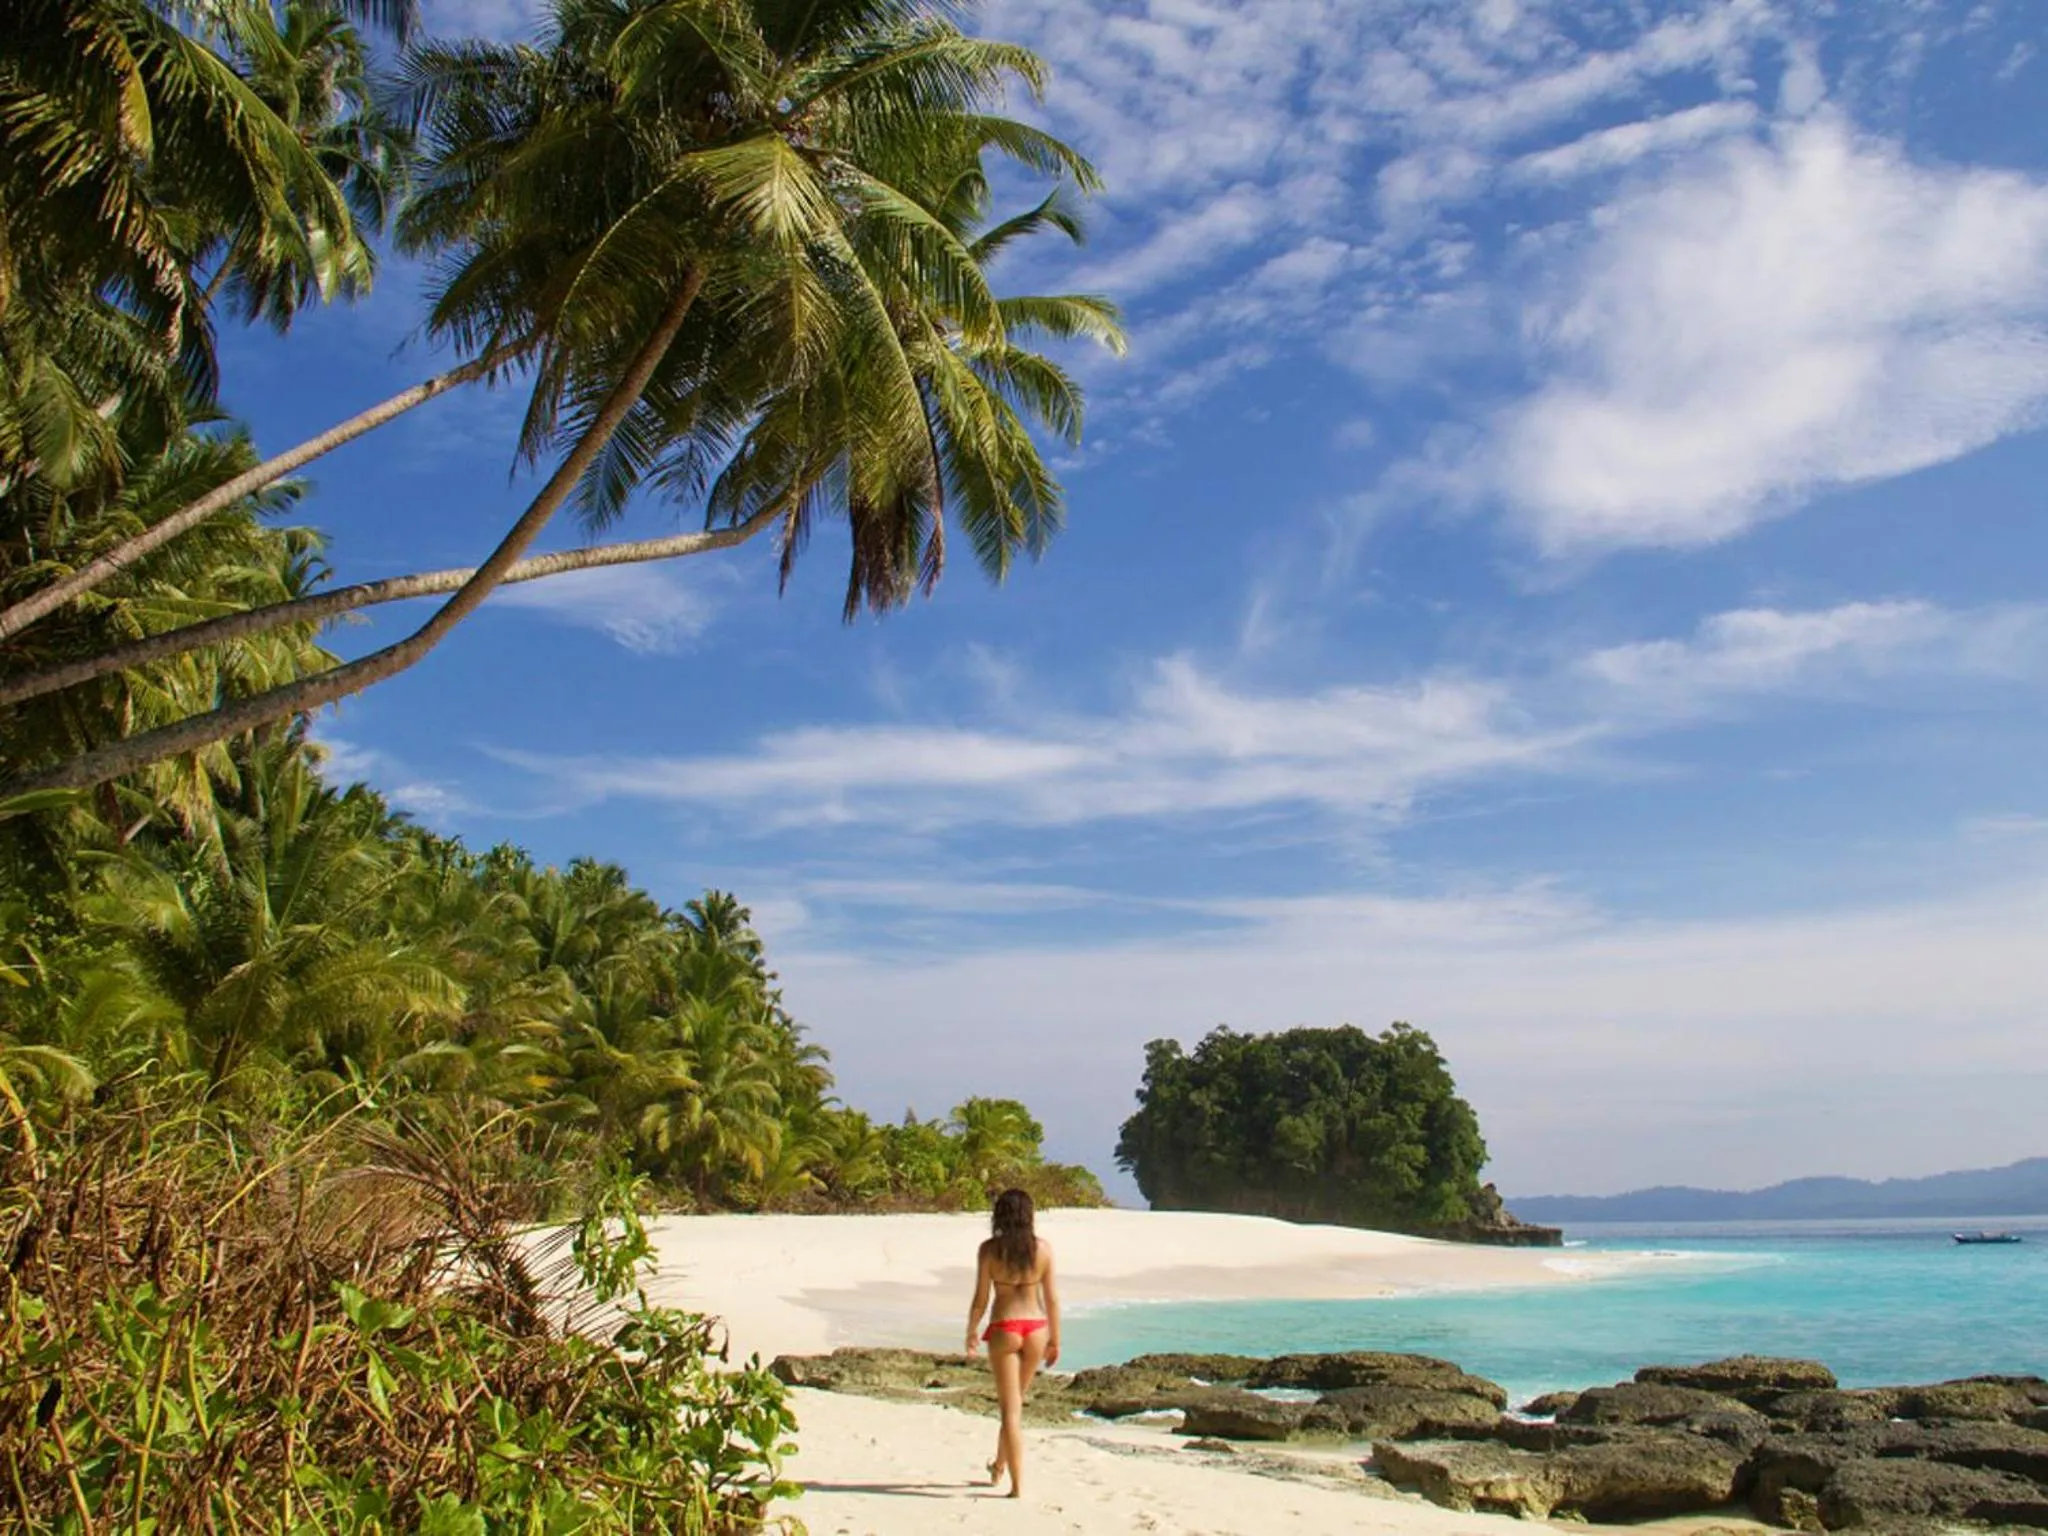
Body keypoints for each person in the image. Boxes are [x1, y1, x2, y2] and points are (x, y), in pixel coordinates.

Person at [964, 1187, 1059, 1497]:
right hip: (1036, 1328)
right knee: (1016, 1403)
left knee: (1011, 1411)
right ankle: (999, 1466)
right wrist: (1055, 1339)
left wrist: (972, 1329)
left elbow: (981, 1298)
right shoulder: (1042, 1249)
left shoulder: (989, 1250)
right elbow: (1052, 1299)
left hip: (1005, 1327)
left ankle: (1016, 1487)